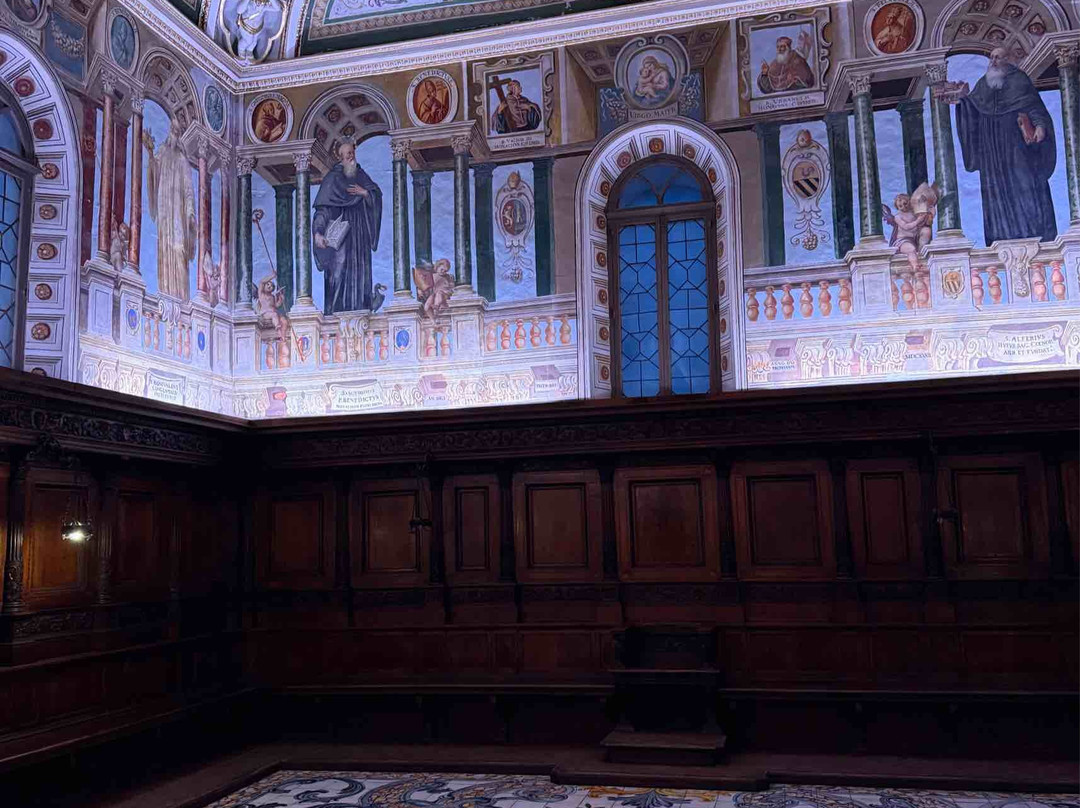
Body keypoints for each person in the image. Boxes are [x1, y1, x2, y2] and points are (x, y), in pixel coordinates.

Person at [954, 47, 1057, 244]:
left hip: (1016, 145)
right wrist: (964, 99)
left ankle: (1034, 233)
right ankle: (1001, 237)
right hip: (991, 150)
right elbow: (973, 109)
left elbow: (1034, 106)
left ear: (1008, 60)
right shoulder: (983, 83)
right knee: (996, 192)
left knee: (1025, 184)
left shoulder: (1020, 80)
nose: (993, 61)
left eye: (998, 57)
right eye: (991, 57)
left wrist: (1040, 126)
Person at [312, 140, 383, 315]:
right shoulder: (332, 179)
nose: (350, 157)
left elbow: (375, 196)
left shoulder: (361, 175)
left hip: (359, 234)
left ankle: (362, 309)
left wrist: (364, 193)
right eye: (346, 154)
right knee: (338, 271)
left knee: (360, 269)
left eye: (352, 153)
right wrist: (318, 232)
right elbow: (322, 210)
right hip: (339, 235)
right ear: (340, 157)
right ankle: (334, 313)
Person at [144, 118, 196, 301]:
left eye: (177, 130)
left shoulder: (182, 160)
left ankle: (182, 297)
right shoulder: (162, 151)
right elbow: (154, 171)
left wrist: (190, 212)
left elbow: (188, 189)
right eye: (172, 129)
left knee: (180, 248)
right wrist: (150, 152)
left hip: (178, 212)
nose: (174, 133)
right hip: (164, 208)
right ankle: (166, 292)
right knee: (165, 248)